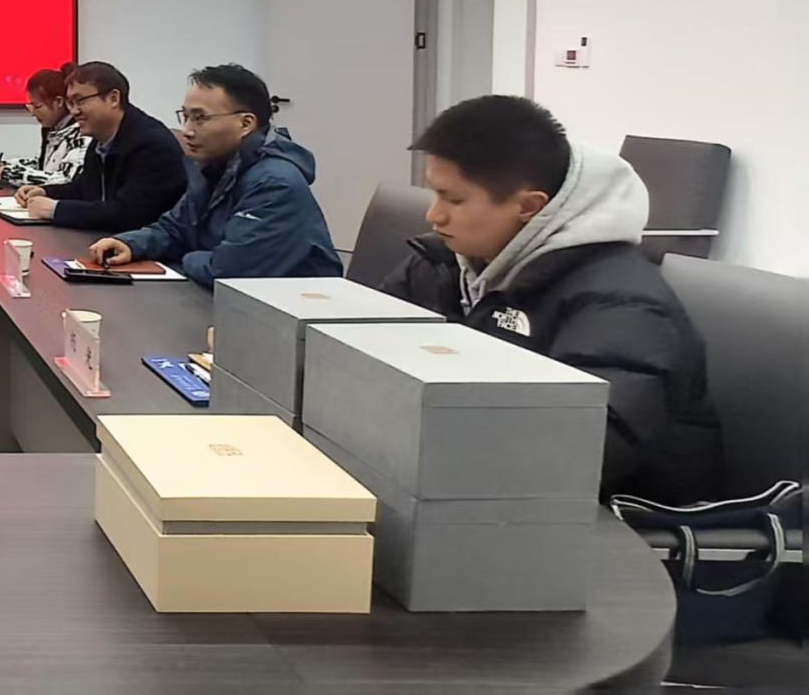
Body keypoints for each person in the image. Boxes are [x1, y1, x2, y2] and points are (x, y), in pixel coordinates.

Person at [379, 96, 721, 503]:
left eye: (454, 199)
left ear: (529, 206)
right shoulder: (444, 264)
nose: (434, 215)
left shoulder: (623, 306)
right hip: (478, 490)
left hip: (613, 520)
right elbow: (363, 352)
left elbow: (579, 455)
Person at [88, 64, 341, 285]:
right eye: (185, 116)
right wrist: (131, 244)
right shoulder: (212, 167)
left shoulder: (274, 185)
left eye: (200, 118)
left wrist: (189, 256)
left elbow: (228, 272)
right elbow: (175, 228)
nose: (187, 130)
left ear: (245, 124)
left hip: (295, 314)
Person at [13, 61, 188, 232]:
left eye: (80, 101)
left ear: (113, 98)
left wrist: (55, 210)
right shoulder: (101, 138)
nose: (74, 111)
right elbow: (83, 188)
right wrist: (44, 192)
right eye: (70, 103)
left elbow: (128, 214)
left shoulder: (150, 144)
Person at [0, 63, 92, 188]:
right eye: (30, 106)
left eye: (37, 106)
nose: (33, 113)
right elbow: (44, 166)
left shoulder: (81, 133)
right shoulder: (54, 130)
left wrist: (13, 174)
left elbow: (66, 179)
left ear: (58, 102)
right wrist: (7, 165)